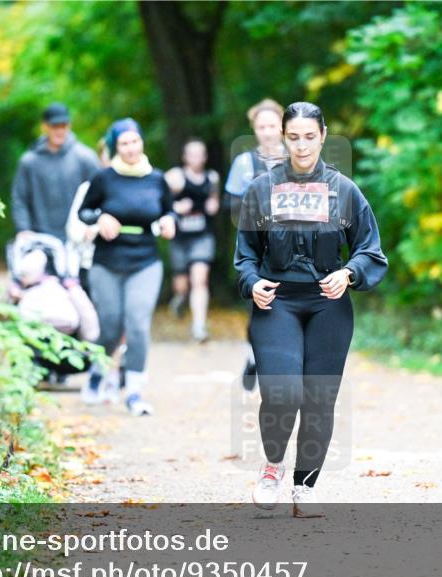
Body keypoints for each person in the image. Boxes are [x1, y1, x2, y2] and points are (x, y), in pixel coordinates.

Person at [234, 102, 388, 518]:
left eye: (309, 136)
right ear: (282, 138)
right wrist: (253, 283)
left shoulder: (345, 191)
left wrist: (350, 273)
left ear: (323, 136)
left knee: (319, 398)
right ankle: (271, 468)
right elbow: (244, 257)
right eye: (293, 137)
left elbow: (370, 250)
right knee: (283, 391)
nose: (301, 146)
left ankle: (305, 486)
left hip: (329, 305)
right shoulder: (260, 189)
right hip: (278, 302)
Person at [68, 118, 176, 416]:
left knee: (138, 323)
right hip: (108, 261)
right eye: (124, 143)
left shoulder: (156, 178)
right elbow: (84, 211)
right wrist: (100, 218)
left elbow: (168, 210)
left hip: (145, 259)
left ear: (142, 143)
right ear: (116, 146)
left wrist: (169, 222)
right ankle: (98, 374)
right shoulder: (104, 178)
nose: (130, 148)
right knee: (111, 326)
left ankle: (135, 392)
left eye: (135, 142)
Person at [225, 99, 288, 390]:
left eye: (272, 125)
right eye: (261, 126)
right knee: (258, 308)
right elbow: (233, 205)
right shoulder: (244, 163)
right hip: (257, 248)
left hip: (292, 248)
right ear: (254, 129)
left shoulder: (296, 159)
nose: (267, 131)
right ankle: (254, 356)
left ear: (282, 127)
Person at [11, 103, 100, 242]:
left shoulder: (85, 158)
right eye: (54, 126)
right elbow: (20, 198)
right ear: (44, 126)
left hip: (79, 237)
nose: (59, 131)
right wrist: (23, 229)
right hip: (40, 239)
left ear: (69, 126)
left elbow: (100, 195)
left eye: (63, 126)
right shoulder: (29, 162)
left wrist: (94, 225)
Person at [164, 139, 220, 342]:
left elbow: (214, 199)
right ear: (185, 157)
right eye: (192, 154)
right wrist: (176, 208)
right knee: (182, 285)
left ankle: (199, 327)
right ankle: (180, 298)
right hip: (179, 237)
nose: (196, 159)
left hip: (202, 236)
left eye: (200, 154)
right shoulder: (174, 177)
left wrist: (213, 205)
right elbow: (161, 202)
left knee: (200, 278)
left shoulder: (212, 177)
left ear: (205, 157)